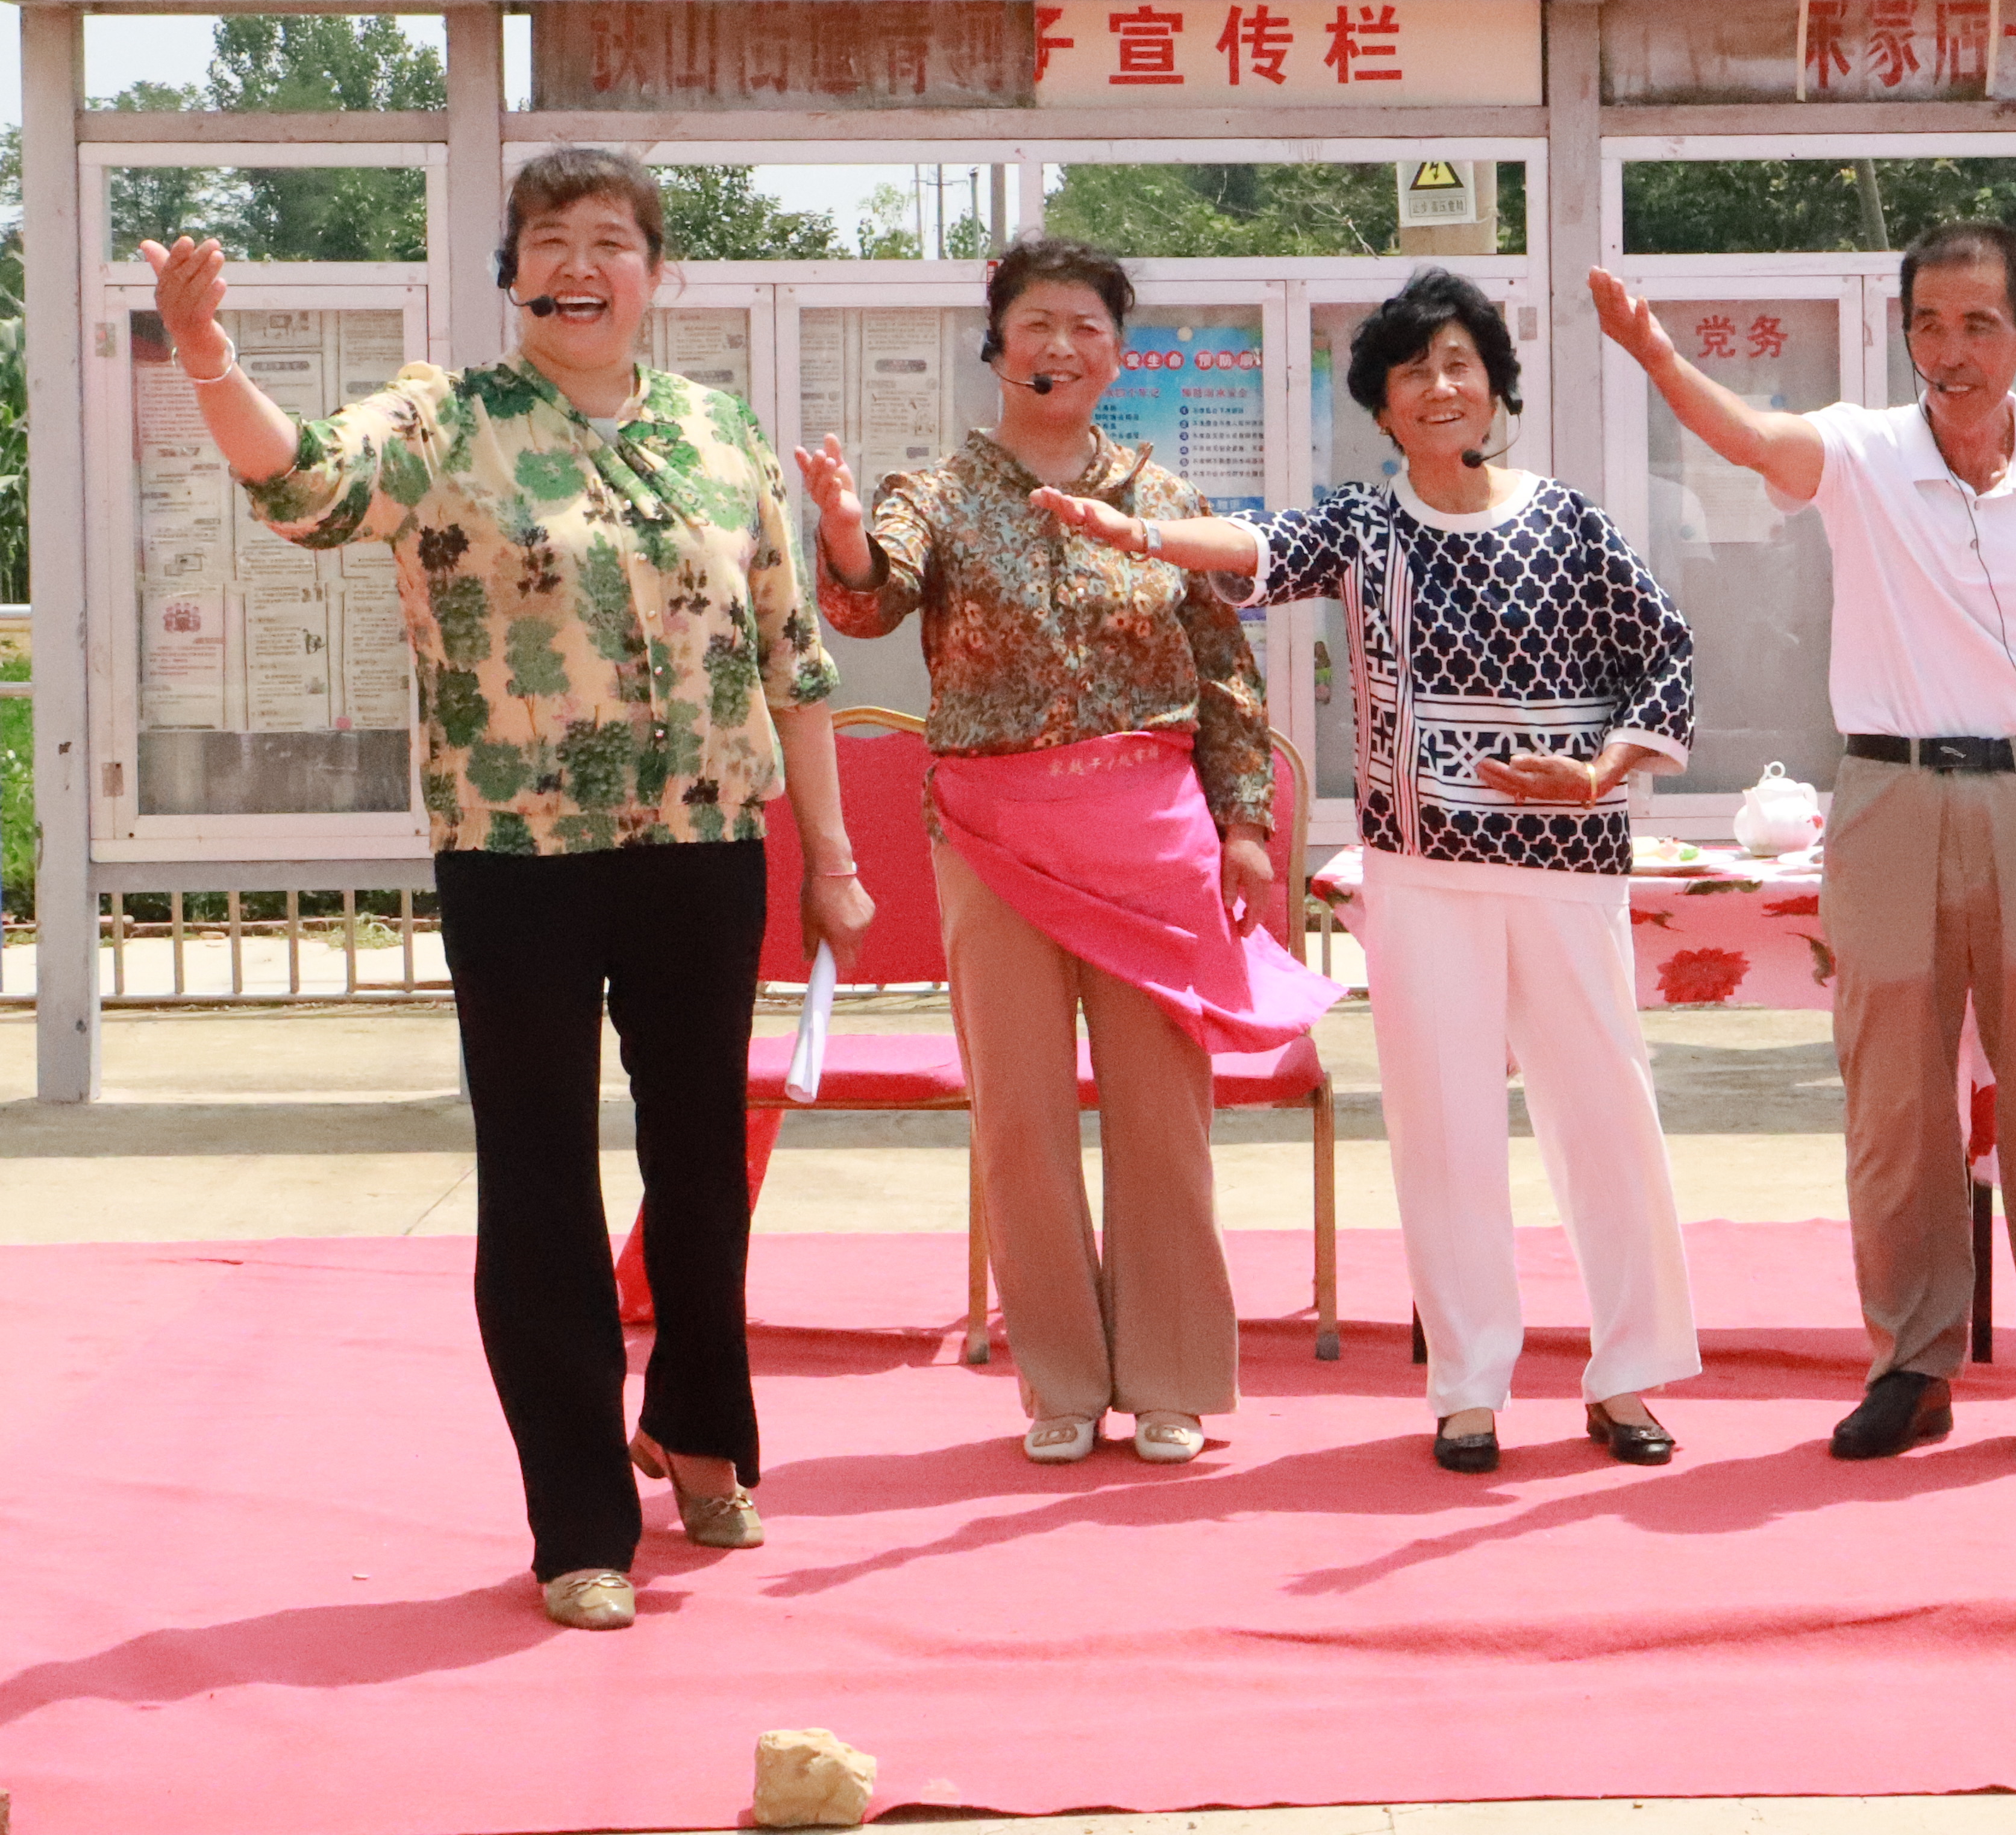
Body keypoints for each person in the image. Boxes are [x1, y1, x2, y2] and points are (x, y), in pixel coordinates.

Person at [138, 148, 870, 1634]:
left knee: (700, 1166)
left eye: (614, 239)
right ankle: (577, 1516)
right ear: (514, 275)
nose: (581, 263)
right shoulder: (444, 421)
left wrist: (835, 864)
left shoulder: (723, 436)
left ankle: (705, 1431)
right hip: (515, 856)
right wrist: (211, 356)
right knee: (540, 1179)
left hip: (704, 849)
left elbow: (795, 661)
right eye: (551, 241)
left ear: (657, 275)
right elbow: (300, 486)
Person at [1044, 269, 1699, 1473]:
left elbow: (1664, 654)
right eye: (1413, 372)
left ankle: (1630, 1374)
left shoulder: (1573, 524)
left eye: (1459, 363)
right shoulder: (1364, 525)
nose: (1440, 387)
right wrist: (1138, 533)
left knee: (1607, 1116)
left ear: (1493, 384)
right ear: (1384, 407)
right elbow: (1257, 542)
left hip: (1568, 871)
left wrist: (1604, 769)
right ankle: (1468, 1386)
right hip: (1421, 873)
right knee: (1442, 1129)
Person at [1592, 222, 2016, 1471]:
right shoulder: (1859, 451)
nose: (1949, 352)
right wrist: (1661, 361)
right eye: (1928, 325)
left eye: (1977, 325)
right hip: (1888, 799)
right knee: (1894, 1100)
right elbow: (1751, 438)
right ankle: (1911, 1361)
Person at [802, 236, 1336, 1470]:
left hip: (1151, 838)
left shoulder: (1166, 502)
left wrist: (1244, 823)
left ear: (1117, 352)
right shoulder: (932, 492)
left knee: (1163, 1114)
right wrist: (839, 533)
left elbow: (1224, 677)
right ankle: (1056, 1375)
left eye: (1086, 327)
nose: (1059, 348)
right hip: (993, 840)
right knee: (1022, 1115)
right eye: (1036, 324)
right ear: (996, 348)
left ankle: (1169, 1377)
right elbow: (869, 599)